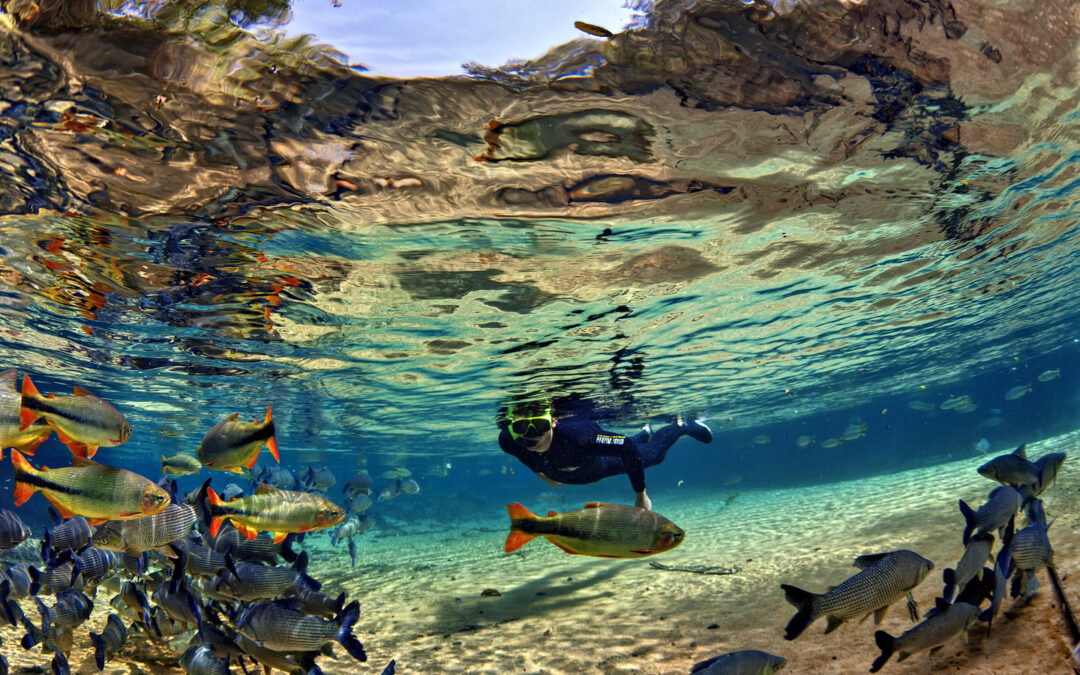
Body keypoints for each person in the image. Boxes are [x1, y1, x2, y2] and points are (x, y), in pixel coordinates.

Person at [498, 398, 712, 510]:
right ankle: (644, 433)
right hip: (566, 475)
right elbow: (523, 454)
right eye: (521, 428)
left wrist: (641, 495)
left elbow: (625, 446)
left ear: (554, 422)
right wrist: (541, 472)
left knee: (654, 456)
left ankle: (683, 425)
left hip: (599, 465)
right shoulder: (508, 440)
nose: (530, 436)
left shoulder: (579, 436)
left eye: (539, 426)